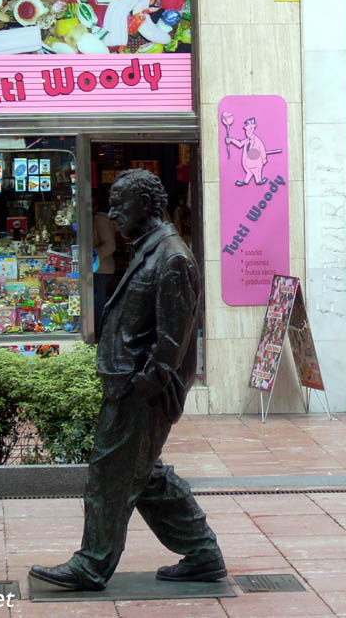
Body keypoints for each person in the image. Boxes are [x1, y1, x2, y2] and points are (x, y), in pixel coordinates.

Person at [30, 169, 225, 591]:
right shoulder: (148, 250)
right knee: (144, 474)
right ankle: (203, 553)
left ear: (148, 206)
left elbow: (173, 337)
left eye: (121, 204)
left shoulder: (171, 257)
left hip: (140, 392)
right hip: (130, 385)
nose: (113, 213)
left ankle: (92, 563)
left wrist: (143, 384)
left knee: (109, 475)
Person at [91, 187, 117, 340]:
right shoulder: (94, 217)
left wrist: (92, 255)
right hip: (97, 268)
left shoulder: (100, 219)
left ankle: (101, 338)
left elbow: (110, 245)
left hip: (101, 269)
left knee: (98, 305)